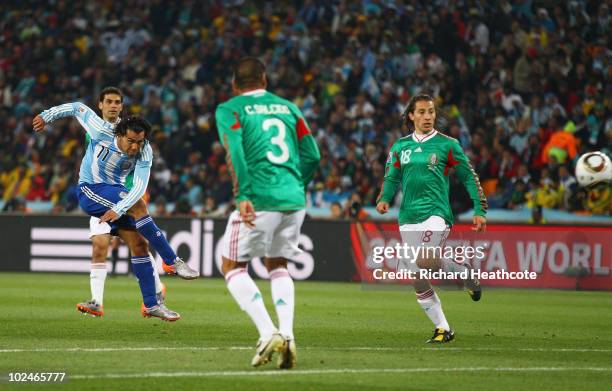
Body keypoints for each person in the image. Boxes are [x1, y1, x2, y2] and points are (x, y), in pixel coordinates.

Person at [33, 107, 198, 321]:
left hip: (116, 197)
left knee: (139, 243)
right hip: (90, 190)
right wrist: (46, 116)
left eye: (140, 141)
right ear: (119, 135)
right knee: (106, 240)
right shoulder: (101, 131)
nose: (135, 146)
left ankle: (151, 304)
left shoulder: (145, 150)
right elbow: (77, 108)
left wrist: (119, 208)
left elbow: (139, 187)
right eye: (131, 141)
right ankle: (171, 260)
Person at [215, 57, 320, 369]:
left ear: (235, 84)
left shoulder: (229, 109)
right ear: (265, 79)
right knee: (277, 264)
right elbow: (313, 154)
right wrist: (296, 184)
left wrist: (243, 193)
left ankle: (267, 333)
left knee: (232, 265)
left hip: (259, 198)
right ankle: (287, 335)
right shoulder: (289, 107)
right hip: (294, 199)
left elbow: (235, 150)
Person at [376, 93, 487, 343]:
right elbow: (391, 177)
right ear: (411, 116)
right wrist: (384, 198)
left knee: (425, 259)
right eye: (423, 112)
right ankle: (443, 328)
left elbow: (469, 176)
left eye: (432, 112)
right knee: (416, 274)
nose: (428, 117)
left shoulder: (448, 144)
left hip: (436, 213)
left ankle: (463, 271)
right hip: (408, 217)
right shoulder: (400, 146)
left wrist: (480, 209)